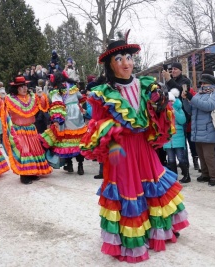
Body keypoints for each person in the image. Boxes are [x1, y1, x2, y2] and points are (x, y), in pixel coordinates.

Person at [80, 33, 189, 262]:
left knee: (154, 185)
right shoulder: (103, 94)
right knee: (126, 190)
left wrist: (160, 108)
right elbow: (96, 123)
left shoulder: (147, 86)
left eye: (128, 57)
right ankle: (130, 238)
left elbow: (159, 117)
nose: (126, 63)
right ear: (110, 65)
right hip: (119, 149)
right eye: (119, 59)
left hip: (143, 146)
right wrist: (112, 128)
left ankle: (161, 229)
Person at [0, 76, 52, 184]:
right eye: (21, 87)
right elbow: (2, 110)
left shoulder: (32, 97)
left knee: (34, 151)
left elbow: (43, 106)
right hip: (19, 130)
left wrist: (41, 96)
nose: (24, 89)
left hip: (31, 129)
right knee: (24, 151)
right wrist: (2, 99)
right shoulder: (9, 98)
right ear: (16, 88)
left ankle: (32, 172)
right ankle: (24, 175)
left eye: (25, 86)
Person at [39, 71, 88, 175]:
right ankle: (80, 166)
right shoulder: (73, 87)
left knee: (67, 141)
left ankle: (69, 164)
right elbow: (81, 98)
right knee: (79, 139)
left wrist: (56, 120)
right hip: (77, 115)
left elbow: (57, 105)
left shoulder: (56, 90)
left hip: (65, 115)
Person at [183, 74, 215, 186]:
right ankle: (205, 174)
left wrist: (191, 98)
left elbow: (209, 106)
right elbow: (190, 110)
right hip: (197, 128)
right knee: (201, 154)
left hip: (208, 128)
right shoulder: (199, 94)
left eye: (205, 83)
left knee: (209, 155)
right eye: (201, 83)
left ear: (211, 83)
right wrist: (185, 100)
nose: (202, 85)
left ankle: (214, 176)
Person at [162, 63, 200, 171]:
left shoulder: (185, 80)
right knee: (174, 140)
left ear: (180, 70)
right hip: (171, 114)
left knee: (184, 142)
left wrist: (169, 79)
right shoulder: (168, 81)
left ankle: (187, 163)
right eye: (171, 69)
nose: (173, 71)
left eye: (175, 69)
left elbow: (181, 92)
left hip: (182, 113)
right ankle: (174, 163)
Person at [163, 88, 190, 183]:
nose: (170, 103)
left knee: (181, 158)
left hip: (178, 137)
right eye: (168, 101)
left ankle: (186, 175)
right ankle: (174, 176)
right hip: (168, 139)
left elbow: (183, 120)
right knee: (170, 159)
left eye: (171, 101)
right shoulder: (163, 111)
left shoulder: (178, 109)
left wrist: (175, 113)